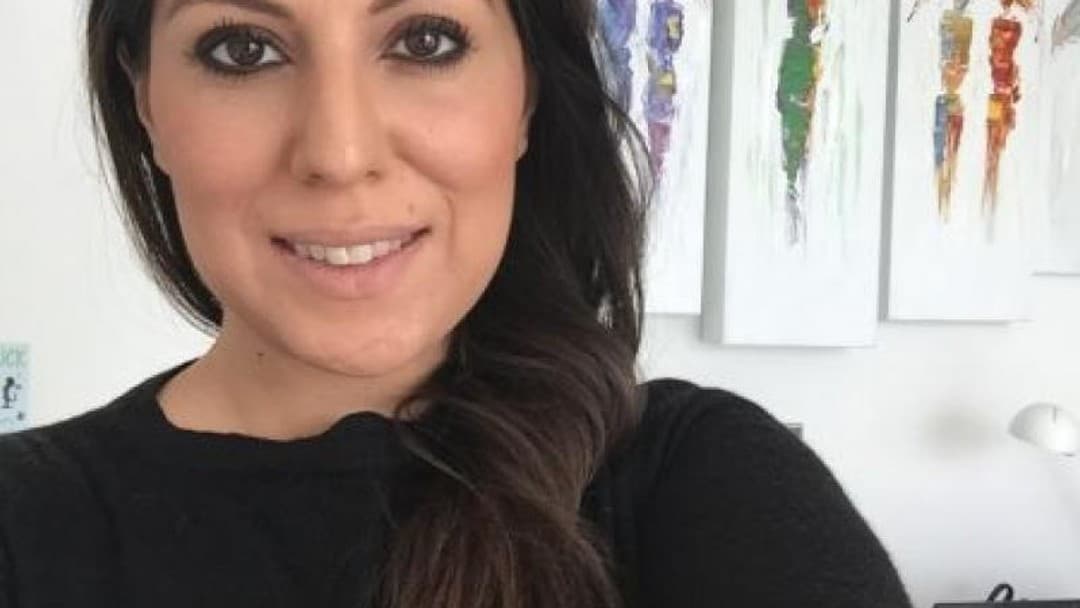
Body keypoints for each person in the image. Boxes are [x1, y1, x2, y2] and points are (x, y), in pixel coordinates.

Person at [0, 0, 913, 606]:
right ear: (145, 102)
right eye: (245, 49)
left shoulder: (702, 485)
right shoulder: (24, 525)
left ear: (526, 98)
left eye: (425, 40)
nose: (339, 153)